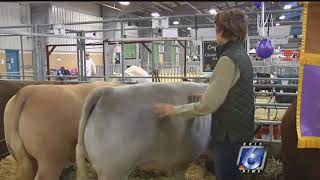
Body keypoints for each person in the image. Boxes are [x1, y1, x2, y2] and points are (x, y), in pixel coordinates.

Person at [153, 9, 254, 180]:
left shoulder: (227, 59)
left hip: (229, 136)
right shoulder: (243, 56)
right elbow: (234, 92)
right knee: (244, 175)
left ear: (221, 31)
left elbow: (207, 106)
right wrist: (205, 95)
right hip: (245, 130)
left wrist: (173, 110)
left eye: (216, 29)